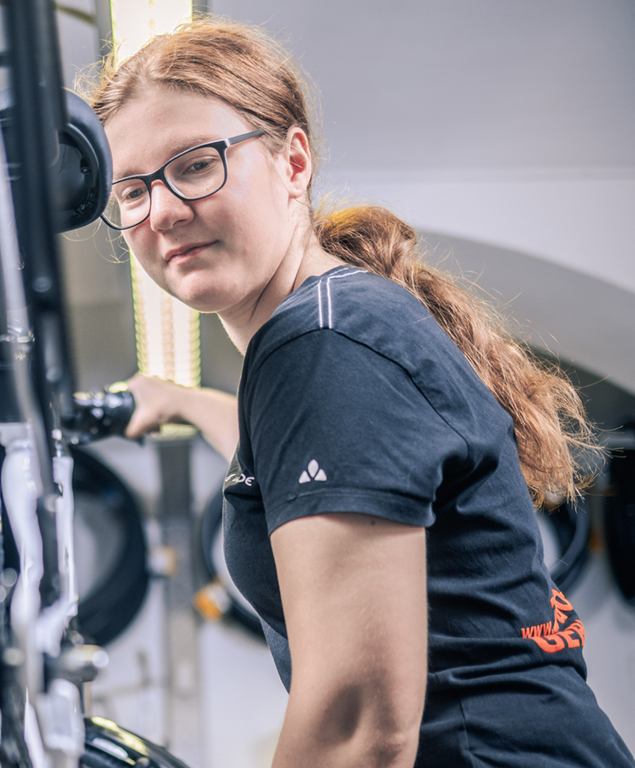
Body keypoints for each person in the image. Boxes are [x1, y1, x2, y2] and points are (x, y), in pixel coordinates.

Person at [85, 18, 634, 768]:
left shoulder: (320, 347)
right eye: (133, 190)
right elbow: (295, 465)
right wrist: (180, 399)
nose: (165, 210)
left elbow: (359, 725)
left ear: (293, 161)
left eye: (195, 165)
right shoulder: (338, 327)